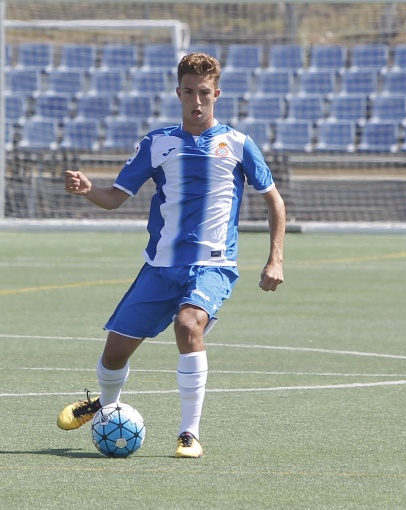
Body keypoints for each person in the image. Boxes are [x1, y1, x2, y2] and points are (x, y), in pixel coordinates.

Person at [57, 52, 285, 458]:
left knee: (187, 326)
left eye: (204, 94)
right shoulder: (157, 142)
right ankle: (106, 409)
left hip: (212, 266)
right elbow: (114, 198)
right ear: (178, 93)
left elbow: (274, 201)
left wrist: (276, 259)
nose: (196, 102)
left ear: (216, 94)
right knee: (114, 353)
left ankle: (189, 433)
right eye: (189, 93)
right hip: (159, 268)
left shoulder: (237, 143)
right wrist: (88, 189)